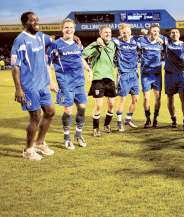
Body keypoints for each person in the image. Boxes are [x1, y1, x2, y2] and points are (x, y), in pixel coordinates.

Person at [11, 11, 56, 160]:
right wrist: (18, 89)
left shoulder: (41, 36)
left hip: (43, 84)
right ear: (25, 23)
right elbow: (15, 66)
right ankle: (28, 150)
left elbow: (53, 40)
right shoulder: (20, 40)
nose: (37, 22)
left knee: (50, 112)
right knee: (36, 117)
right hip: (29, 86)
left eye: (37, 20)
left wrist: (70, 37)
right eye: (33, 21)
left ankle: (40, 143)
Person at [48, 18, 91, 149]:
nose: (69, 29)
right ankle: (66, 138)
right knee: (68, 110)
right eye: (66, 27)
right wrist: (51, 82)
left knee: (82, 108)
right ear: (62, 29)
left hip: (79, 81)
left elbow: (80, 58)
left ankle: (78, 134)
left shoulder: (78, 44)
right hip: (65, 82)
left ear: (74, 29)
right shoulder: (55, 45)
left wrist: (88, 68)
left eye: (71, 27)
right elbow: (48, 65)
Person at [82, 25, 117, 136]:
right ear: (100, 34)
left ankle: (107, 125)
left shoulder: (113, 44)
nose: (108, 34)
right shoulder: (95, 45)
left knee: (111, 104)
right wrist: (88, 69)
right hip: (98, 79)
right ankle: (96, 128)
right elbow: (81, 56)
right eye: (105, 32)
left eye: (110, 32)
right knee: (99, 105)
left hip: (110, 78)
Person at [112, 23, 140, 132]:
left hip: (134, 75)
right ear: (120, 33)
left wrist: (145, 32)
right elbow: (106, 39)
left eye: (128, 32)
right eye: (124, 32)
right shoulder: (117, 42)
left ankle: (128, 119)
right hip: (123, 75)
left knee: (135, 99)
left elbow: (150, 37)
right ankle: (119, 123)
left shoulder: (135, 41)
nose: (126, 34)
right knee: (123, 99)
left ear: (130, 32)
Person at [138, 24, 164, 128]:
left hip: (157, 74)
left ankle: (155, 119)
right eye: (153, 31)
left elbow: (173, 40)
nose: (156, 33)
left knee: (158, 98)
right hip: (146, 74)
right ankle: (148, 119)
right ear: (150, 32)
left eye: (157, 31)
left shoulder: (162, 40)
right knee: (146, 98)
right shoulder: (142, 40)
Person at [164, 28, 184, 131]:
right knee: (170, 99)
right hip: (169, 75)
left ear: (179, 34)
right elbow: (155, 35)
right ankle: (173, 118)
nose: (175, 34)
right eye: (172, 33)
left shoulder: (183, 45)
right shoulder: (166, 43)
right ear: (170, 35)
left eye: (177, 32)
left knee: (183, 98)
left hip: (181, 75)